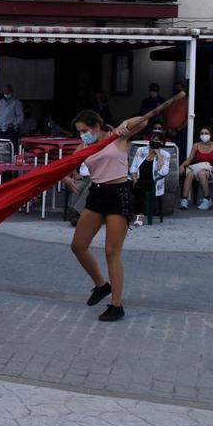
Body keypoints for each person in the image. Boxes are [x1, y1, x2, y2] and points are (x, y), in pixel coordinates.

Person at [68, 109, 146, 323]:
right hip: (96, 194)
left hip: (117, 193)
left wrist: (126, 122)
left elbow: (143, 121)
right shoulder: (85, 146)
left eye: (84, 130)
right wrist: (66, 178)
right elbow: (66, 166)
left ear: (97, 126)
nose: (82, 135)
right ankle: (102, 286)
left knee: (111, 252)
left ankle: (116, 305)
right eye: (79, 132)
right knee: (78, 245)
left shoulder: (118, 137)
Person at [129, 132, 171, 226]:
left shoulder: (165, 155)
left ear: (162, 143)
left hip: (153, 181)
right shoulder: (141, 150)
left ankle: (139, 215)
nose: (154, 142)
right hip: (138, 178)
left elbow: (164, 172)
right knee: (127, 184)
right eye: (153, 139)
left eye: (157, 140)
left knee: (140, 186)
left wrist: (158, 154)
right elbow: (133, 167)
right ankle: (129, 213)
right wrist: (135, 179)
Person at [179, 126, 213, 210]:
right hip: (199, 168)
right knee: (189, 174)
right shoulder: (196, 145)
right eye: (202, 133)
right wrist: (182, 165)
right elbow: (189, 160)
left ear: (211, 135)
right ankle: (184, 200)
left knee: (201, 173)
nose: (204, 135)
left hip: (212, 171)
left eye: (206, 133)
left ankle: (207, 199)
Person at [163, 81, 188, 155]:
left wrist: (177, 129)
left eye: (179, 89)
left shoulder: (187, 101)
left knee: (180, 152)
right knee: (168, 152)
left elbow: (188, 119)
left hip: (181, 132)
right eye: (176, 89)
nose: (177, 90)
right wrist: (167, 129)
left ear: (183, 90)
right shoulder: (170, 101)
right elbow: (165, 116)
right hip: (168, 131)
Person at [0, 84, 23, 148]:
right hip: (1, 130)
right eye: (5, 91)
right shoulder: (1, 101)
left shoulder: (16, 102)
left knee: (11, 149)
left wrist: (13, 123)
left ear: (12, 91)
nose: (7, 92)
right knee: (1, 149)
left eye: (8, 90)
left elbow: (21, 118)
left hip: (11, 130)